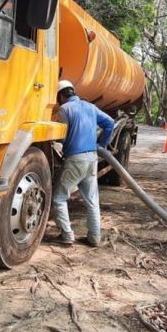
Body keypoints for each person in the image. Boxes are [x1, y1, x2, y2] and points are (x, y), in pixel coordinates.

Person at [50, 80, 115, 247]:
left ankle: (67, 235)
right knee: (92, 200)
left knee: (59, 198)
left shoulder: (65, 109)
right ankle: (94, 238)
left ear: (61, 96)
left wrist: (56, 142)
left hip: (75, 160)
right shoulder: (89, 106)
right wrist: (101, 144)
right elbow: (110, 123)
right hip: (92, 158)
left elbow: (61, 137)